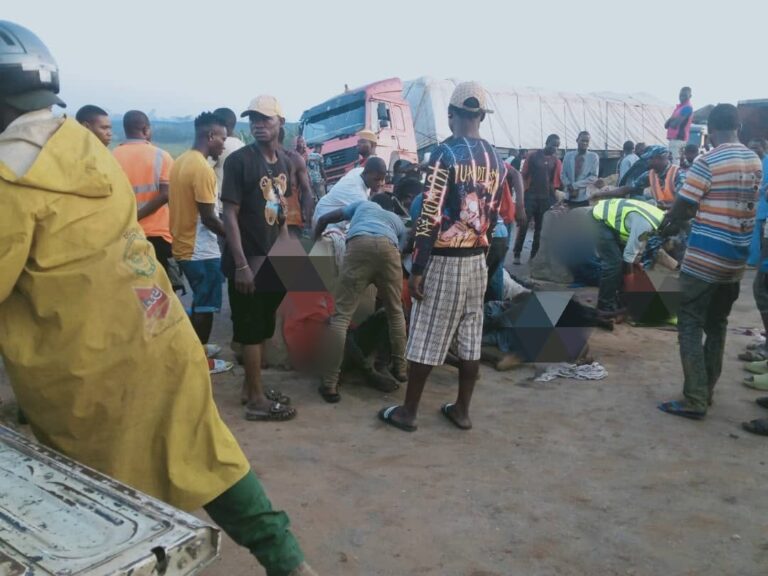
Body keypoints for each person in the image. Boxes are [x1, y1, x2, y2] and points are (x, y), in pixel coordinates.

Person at [0, 21, 317, 576]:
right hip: (160, 332)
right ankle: (287, 561)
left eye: (261, 120)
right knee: (208, 455)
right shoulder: (83, 147)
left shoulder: (10, 183)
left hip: (90, 369)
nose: (244, 130)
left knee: (102, 513)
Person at [378, 81, 507, 432]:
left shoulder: (445, 154)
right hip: (478, 259)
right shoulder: (497, 159)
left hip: (446, 259)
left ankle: (408, 412)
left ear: (451, 115)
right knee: (469, 334)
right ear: (481, 115)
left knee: (425, 336)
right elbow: (494, 216)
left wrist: (418, 267)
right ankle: (462, 410)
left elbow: (429, 216)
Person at [657, 103, 762, 420]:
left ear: (712, 130)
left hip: (705, 258)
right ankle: (707, 390)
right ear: (738, 128)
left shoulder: (708, 161)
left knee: (689, 324)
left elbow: (685, 206)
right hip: (735, 261)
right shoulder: (754, 159)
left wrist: (667, 225)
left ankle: (694, 399)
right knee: (717, 325)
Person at [222, 95, 298, 422]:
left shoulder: (282, 161)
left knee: (264, 324)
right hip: (247, 259)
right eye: (253, 119)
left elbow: (280, 211)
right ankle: (255, 399)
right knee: (251, 329)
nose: (258, 124)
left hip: (273, 257)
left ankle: (250, 388)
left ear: (280, 122)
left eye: (265, 119)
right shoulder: (239, 161)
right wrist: (240, 265)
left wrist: (289, 257)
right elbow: (229, 215)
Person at [314, 193, 408, 402]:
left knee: (341, 317)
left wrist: (315, 239)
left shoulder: (363, 205)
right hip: (389, 248)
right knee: (395, 312)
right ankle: (401, 369)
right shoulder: (397, 221)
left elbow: (324, 219)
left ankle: (330, 384)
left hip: (359, 245)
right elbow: (400, 250)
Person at [168, 112, 232, 374]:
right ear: (211, 136)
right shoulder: (203, 169)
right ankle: (200, 363)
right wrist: (235, 236)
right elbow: (209, 218)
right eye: (222, 138)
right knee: (205, 304)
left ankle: (197, 348)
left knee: (199, 301)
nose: (223, 145)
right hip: (200, 249)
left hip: (183, 244)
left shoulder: (181, 161)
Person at [112, 110, 176, 278]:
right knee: (159, 291)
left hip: (122, 234)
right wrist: (138, 215)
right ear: (146, 129)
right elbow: (165, 195)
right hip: (157, 235)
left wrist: (130, 219)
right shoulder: (162, 156)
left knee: (129, 288)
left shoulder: (111, 157)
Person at [590, 198, 665, 319]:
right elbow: (628, 258)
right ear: (670, 224)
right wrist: (630, 286)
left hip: (612, 224)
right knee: (614, 264)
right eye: (674, 231)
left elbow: (637, 250)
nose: (671, 235)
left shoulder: (660, 218)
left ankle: (619, 300)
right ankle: (604, 306)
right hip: (599, 219)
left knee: (623, 265)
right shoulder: (646, 225)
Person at [512, 134, 562, 263]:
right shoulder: (533, 156)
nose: (555, 148)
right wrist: (521, 195)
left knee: (539, 228)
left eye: (557, 146)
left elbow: (553, 182)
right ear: (546, 143)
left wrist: (555, 198)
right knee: (523, 225)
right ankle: (517, 253)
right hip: (530, 196)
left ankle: (533, 256)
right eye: (553, 145)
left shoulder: (556, 161)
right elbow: (523, 175)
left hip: (545, 199)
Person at [594, 145, 683, 208]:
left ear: (661, 158)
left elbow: (683, 203)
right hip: (663, 214)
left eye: (650, 159)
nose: (647, 162)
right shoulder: (650, 174)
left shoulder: (678, 174)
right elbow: (627, 189)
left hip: (678, 219)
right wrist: (600, 194)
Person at [211, 107, 245, 218]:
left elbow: (201, 170)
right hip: (238, 205)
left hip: (219, 206)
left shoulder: (218, 145)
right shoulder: (241, 145)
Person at [280, 128, 313, 237]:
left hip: (292, 224)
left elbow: (306, 191)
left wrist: (308, 223)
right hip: (265, 227)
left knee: (292, 253)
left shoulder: (295, 159)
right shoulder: (254, 161)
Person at [561, 131, 599, 208]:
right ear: (577, 140)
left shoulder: (593, 157)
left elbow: (594, 177)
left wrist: (575, 185)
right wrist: (569, 185)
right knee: (568, 219)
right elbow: (563, 174)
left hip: (584, 197)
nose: (585, 143)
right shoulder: (568, 156)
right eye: (582, 140)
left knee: (581, 219)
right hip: (569, 196)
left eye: (587, 141)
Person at [665, 86, 694, 164]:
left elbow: (674, 125)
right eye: (680, 95)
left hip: (678, 140)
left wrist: (672, 119)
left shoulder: (687, 108)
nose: (681, 97)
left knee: (674, 165)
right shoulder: (679, 108)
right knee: (674, 163)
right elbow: (666, 125)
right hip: (674, 140)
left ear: (690, 96)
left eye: (684, 95)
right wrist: (673, 119)